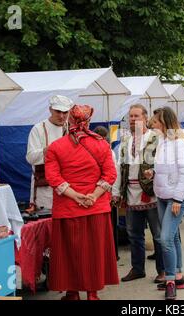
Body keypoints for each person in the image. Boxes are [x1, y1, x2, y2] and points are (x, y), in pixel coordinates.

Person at [44, 104, 118, 300]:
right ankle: (92, 294)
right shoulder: (102, 144)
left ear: (70, 120)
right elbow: (110, 174)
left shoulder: (55, 147)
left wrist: (75, 195)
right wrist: (93, 195)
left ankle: (72, 293)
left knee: (69, 255)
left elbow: (53, 178)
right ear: (88, 121)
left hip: (67, 209)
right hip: (96, 208)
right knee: (94, 254)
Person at [112, 104, 165, 283]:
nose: (133, 120)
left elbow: (164, 163)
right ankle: (137, 269)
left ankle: (163, 270)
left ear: (145, 118)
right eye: (131, 117)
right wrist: (116, 192)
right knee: (134, 234)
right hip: (131, 194)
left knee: (158, 234)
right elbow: (119, 168)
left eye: (137, 116)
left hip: (151, 192)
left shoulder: (156, 138)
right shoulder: (125, 141)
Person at [145, 107, 184, 300]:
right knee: (172, 238)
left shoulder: (178, 142)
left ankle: (170, 280)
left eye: (155, 122)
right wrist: (154, 173)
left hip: (175, 198)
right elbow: (169, 167)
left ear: (164, 123)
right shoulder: (164, 141)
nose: (152, 125)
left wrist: (178, 199)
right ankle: (178, 276)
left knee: (164, 239)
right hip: (163, 196)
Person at [26, 95, 73, 212]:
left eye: (65, 112)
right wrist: (48, 151)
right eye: (58, 111)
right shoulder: (38, 129)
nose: (62, 116)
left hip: (70, 188)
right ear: (50, 109)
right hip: (45, 190)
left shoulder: (72, 129)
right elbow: (30, 157)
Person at [94, 126, 119, 260]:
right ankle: (110, 254)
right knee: (106, 227)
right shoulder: (107, 150)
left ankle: (111, 254)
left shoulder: (109, 151)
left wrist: (114, 193)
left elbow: (113, 174)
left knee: (108, 226)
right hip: (102, 192)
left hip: (104, 192)